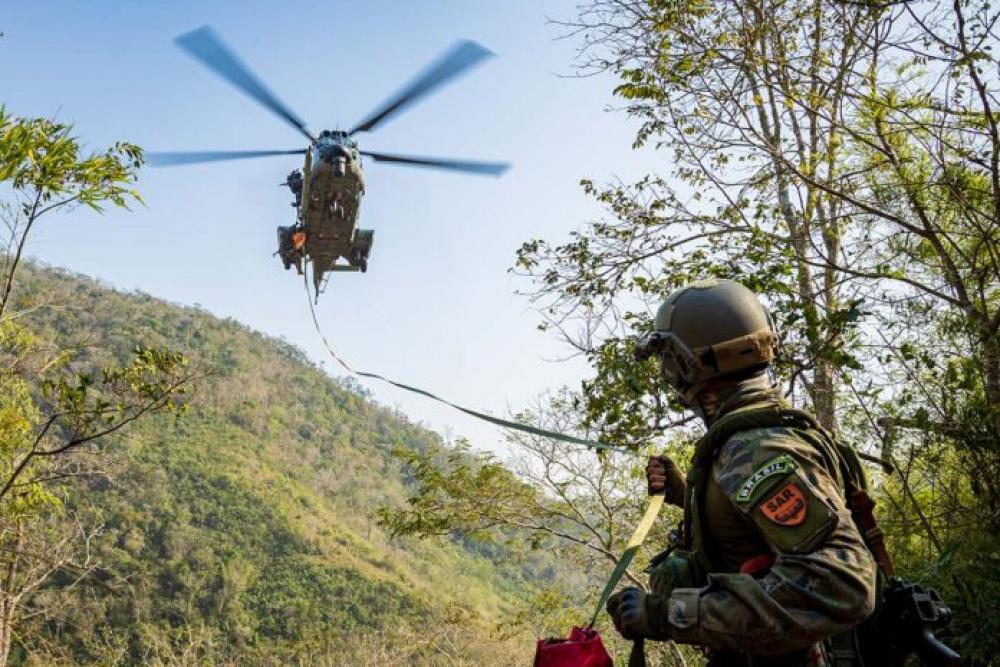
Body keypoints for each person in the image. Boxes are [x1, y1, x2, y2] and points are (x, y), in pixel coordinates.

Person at [605, 279, 878, 667]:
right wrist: (689, 497)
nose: (666, 373)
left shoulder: (756, 450)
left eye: (667, 356)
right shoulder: (759, 439)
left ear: (687, 362)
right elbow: (757, 537)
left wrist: (667, 613)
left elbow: (844, 585)